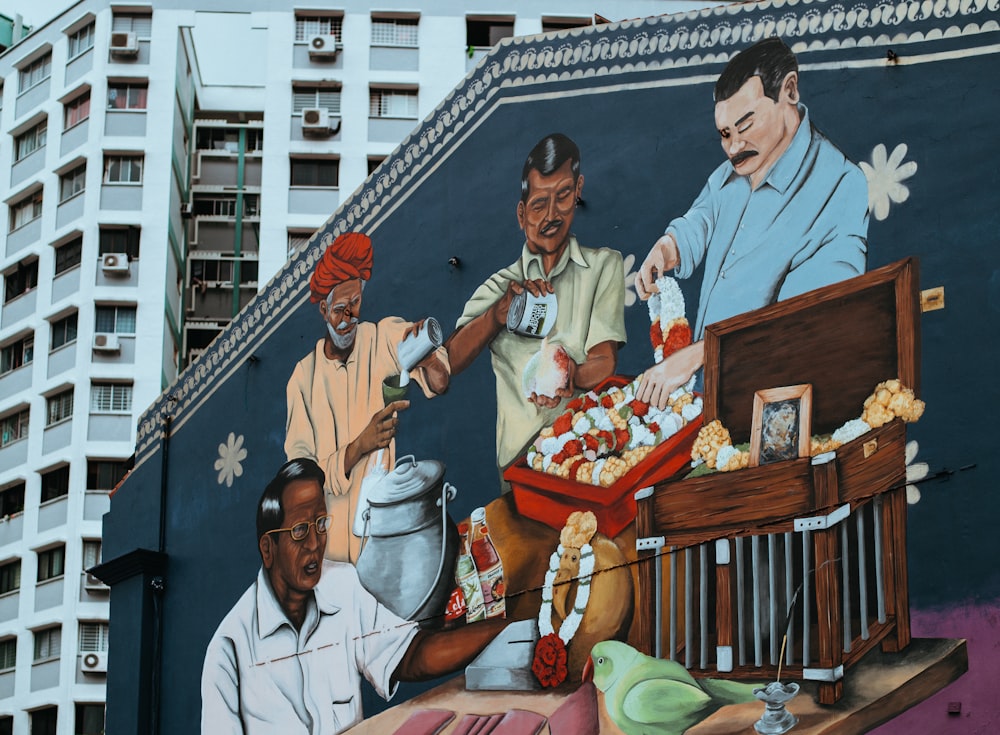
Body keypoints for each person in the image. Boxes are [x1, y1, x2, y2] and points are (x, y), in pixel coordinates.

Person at [635, 37, 869, 407]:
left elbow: (806, 318)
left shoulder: (841, 185)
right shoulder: (731, 173)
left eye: (746, 125)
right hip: (705, 399)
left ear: (789, 90)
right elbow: (701, 218)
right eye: (725, 134)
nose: (733, 147)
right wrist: (668, 249)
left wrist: (698, 355)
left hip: (775, 408)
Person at [201, 459, 507, 735]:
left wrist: (505, 628)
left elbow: (410, 654)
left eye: (321, 525)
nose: (314, 544)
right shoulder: (229, 651)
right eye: (299, 531)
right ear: (268, 548)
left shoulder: (341, 584)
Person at [447, 133, 626, 485]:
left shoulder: (603, 266)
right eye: (538, 204)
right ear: (521, 213)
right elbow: (450, 359)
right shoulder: (501, 285)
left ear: (578, 190)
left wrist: (571, 376)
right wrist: (498, 315)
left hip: (585, 452)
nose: (551, 215)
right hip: (520, 465)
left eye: (562, 197)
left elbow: (604, 361)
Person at [285, 232, 449, 562]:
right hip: (326, 556)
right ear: (323, 308)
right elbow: (300, 477)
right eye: (340, 310)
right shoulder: (302, 379)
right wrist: (360, 445)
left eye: (356, 304)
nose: (349, 319)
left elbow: (440, 381)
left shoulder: (381, 337)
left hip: (380, 542)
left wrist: (426, 353)